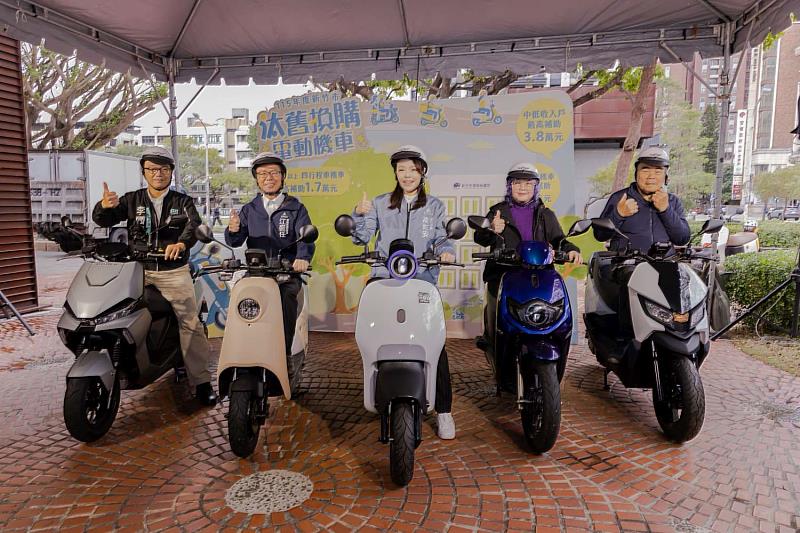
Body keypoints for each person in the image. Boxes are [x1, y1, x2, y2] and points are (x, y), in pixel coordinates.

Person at [92, 146, 217, 406]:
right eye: (151, 169)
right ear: (144, 172)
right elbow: (104, 219)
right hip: (137, 269)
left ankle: (202, 381)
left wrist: (181, 244)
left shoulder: (182, 202)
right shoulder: (131, 200)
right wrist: (103, 207)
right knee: (111, 310)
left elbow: (193, 225)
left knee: (189, 322)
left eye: (163, 169)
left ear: (171, 172)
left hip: (173, 271)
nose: (157, 173)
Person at [351, 145, 458, 439]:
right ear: (395, 173)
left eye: (413, 169)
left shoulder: (434, 206)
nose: (407, 175)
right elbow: (362, 236)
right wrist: (358, 215)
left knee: (435, 344)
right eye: (401, 170)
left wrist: (447, 251)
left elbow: (442, 238)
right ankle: (379, 388)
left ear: (422, 172)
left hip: (421, 280)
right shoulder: (380, 203)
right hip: (384, 278)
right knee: (376, 336)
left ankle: (444, 410)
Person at [473, 162, 582, 351]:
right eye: (517, 183)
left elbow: (559, 240)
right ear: (510, 186)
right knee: (499, 318)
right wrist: (491, 229)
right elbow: (480, 238)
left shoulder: (545, 214)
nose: (522, 188)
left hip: (539, 273)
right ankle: (492, 340)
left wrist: (571, 249)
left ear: (535, 187)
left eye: (528, 183)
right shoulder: (498, 211)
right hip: (504, 272)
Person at [225, 152, 315, 360]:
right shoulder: (249, 209)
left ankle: (284, 355)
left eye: (274, 172)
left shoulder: (295, 208)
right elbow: (235, 241)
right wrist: (233, 229)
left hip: (286, 271)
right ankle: (244, 351)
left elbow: (306, 237)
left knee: (286, 298)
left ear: (283, 176)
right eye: (262, 173)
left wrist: (302, 257)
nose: (269, 177)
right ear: (257, 179)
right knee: (243, 298)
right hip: (257, 271)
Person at [594, 147, 690, 252]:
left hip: (664, 261)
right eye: (645, 169)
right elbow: (600, 235)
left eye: (658, 171)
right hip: (626, 261)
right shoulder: (620, 198)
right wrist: (619, 214)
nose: (651, 176)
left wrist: (666, 210)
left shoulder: (672, 201)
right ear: (636, 173)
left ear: (665, 176)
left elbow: (682, 239)